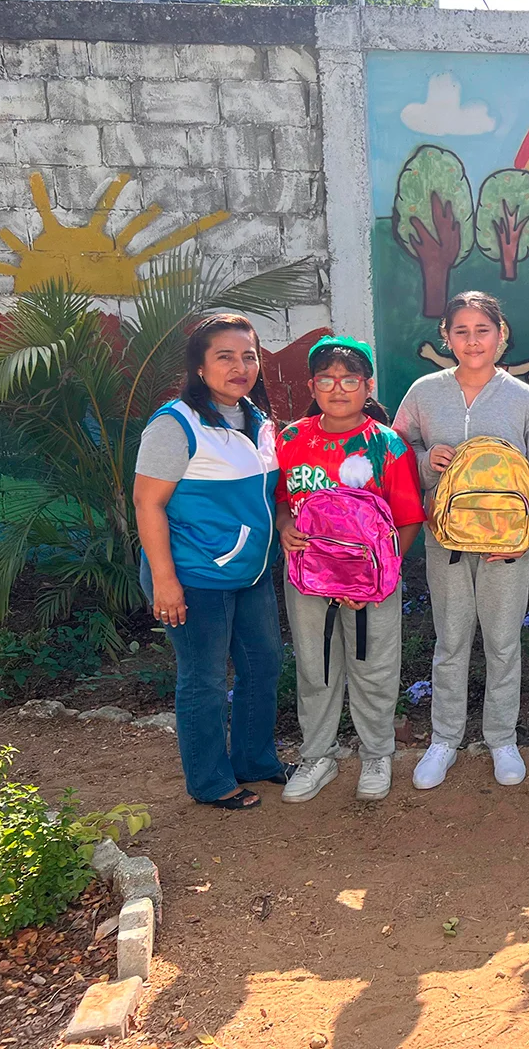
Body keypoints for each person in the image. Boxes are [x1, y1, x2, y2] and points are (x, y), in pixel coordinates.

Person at [394, 291, 529, 789]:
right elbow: (396, 452)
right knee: (451, 641)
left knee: (504, 643)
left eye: (482, 330)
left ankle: (501, 739)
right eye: (461, 331)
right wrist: (426, 461)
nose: (472, 341)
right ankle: (444, 739)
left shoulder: (523, 399)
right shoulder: (424, 392)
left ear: (502, 335)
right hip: (444, 542)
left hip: (505, 550)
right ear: (445, 336)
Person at [133, 314, 288, 811]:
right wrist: (164, 580)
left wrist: (284, 525)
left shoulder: (259, 422)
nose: (239, 366)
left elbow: (268, 497)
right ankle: (208, 779)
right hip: (194, 575)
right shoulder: (175, 424)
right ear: (200, 366)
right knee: (203, 678)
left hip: (251, 572)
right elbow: (147, 503)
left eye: (248, 356)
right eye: (225, 356)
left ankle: (254, 759)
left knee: (263, 665)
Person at [274, 336, 425, 804]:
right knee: (316, 665)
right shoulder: (292, 439)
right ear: (312, 385)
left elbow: (408, 519)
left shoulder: (386, 445)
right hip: (308, 575)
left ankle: (377, 753)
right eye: (327, 380)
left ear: (367, 385)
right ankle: (317, 754)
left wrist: (379, 578)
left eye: (350, 380)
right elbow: (281, 499)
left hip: (371, 581)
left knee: (373, 664)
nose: (338, 389)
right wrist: (284, 528)